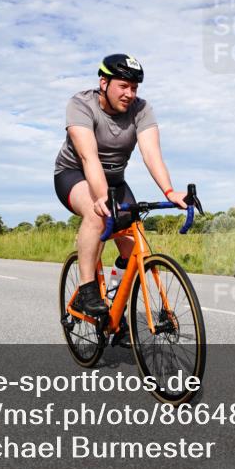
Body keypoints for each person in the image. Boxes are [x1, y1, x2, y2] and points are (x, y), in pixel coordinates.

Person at [54, 54, 187, 343]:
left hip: (116, 180)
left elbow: (152, 154)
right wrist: (102, 199)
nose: (130, 94)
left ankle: (116, 313)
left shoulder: (141, 110)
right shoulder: (81, 104)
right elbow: (89, 157)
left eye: (134, 88)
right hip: (74, 174)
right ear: (104, 83)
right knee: (97, 212)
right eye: (123, 86)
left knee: (133, 246)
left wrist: (170, 191)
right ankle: (87, 291)